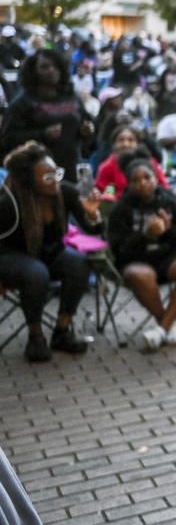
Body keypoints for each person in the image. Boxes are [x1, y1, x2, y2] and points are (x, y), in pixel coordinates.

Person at [0, 142, 100, 361]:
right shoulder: (10, 203)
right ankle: (35, 338)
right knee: (36, 273)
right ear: (29, 181)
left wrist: (92, 215)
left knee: (79, 263)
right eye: (47, 177)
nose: (54, 179)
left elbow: (93, 228)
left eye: (56, 172)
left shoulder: (65, 192)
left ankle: (62, 331)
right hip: (10, 257)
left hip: (49, 253)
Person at [107, 154, 176, 350]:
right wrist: (145, 236)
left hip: (166, 259)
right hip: (135, 262)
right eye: (136, 180)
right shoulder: (121, 209)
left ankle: (161, 330)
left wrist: (169, 230)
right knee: (141, 275)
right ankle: (169, 325)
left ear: (156, 178)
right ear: (129, 184)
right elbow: (119, 251)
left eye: (147, 178)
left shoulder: (170, 202)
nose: (143, 184)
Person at [0, 49, 94, 183]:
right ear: (34, 71)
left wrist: (87, 131)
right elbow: (7, 138)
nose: (51, 70)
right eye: (44, 67)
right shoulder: (23, 102)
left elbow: (87, 129)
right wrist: (42, 135)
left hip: (72, 170)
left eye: (55, 66)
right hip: (38, 174)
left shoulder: (72, 98)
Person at [94, 126, 168, 197]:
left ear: (137, 143)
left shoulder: (150, 163)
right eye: (121, 140)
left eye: (131, 140)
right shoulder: (106, 168)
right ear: (114, 144)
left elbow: (164, 188)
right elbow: (105, 194)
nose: (125, 144)